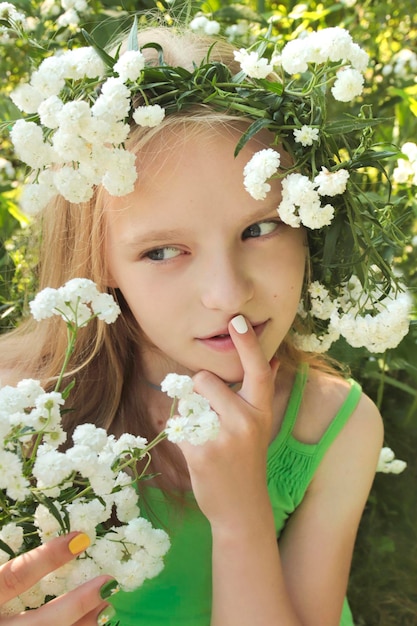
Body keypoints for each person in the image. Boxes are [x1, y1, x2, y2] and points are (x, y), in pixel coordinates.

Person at [0, 18, 409, 626]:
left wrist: (242, 515)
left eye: (261, 228)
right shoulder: (17, 408)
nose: (227, 295)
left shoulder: (331, 427)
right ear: (99, 264)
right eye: (162, 251)